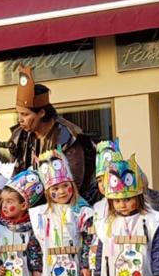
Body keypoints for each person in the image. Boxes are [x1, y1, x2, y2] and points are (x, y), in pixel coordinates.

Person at [7, 64, 100, 205]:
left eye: (25, 114)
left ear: (41, 113)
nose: (20, 119)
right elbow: (15, 175)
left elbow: (75, 184)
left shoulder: (67, 137)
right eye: (18, 114)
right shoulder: (20, 137)